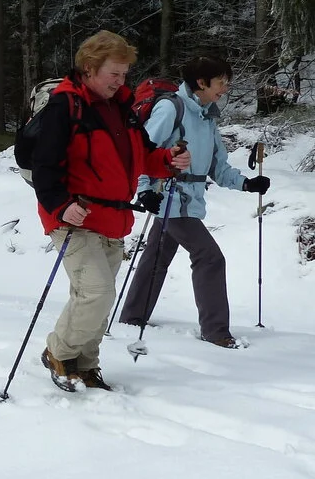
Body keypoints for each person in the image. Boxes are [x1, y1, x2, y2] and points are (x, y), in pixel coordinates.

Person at [31, 30, 192, 392]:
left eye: (124, 75)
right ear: (89, 69)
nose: (120, 82)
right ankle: (58, 353)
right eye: (113, 74)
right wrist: (61, 205)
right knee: (97, 292)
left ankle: (85, 365)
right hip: (75, 218)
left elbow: (143, 155)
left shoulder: (122, 108)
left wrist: (168, 160)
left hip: (114, 219)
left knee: (95, 299)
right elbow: (44, 167)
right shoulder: (65, 107)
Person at [117, 55, 271, 349]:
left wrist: (247, 184)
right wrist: (145, 189)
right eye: (221, 82)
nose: (225, 88)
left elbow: (218, 166)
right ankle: (216, 332)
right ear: (201, 82)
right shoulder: (170, 108)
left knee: (157, 256)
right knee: (210, 257)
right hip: (169, 198)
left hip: (187, 200)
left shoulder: (206, 116)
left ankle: (133, 316)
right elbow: (141, 152)